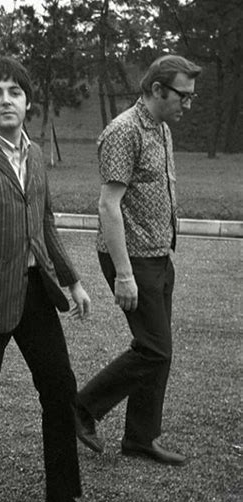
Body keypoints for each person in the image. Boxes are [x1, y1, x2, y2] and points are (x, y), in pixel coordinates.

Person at [0, 56, 108, 502]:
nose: (6, 100)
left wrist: (73, 280)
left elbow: (45, 224)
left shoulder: (35, 157)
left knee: (60, 390)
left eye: (14, 91)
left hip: (36, 291)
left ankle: (61, 500)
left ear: (27, 102)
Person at [74, 55, 201, 466]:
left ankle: (141, 438)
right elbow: (108, 206)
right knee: (154, 349)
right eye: (183, 95)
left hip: (158, 253)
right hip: (131, 257)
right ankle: (80, 408)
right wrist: (124, 275)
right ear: (157, 89)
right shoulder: (123, 132)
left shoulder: (161, 129)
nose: (188, 104)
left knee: (157, 348)